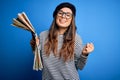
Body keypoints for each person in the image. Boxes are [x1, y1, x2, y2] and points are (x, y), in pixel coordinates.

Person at [30, 2, 94, 80]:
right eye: (60, 13)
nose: (64, 16)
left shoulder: (76, 39)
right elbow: (40, 61)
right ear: (55, 15)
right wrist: (34, 47)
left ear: (72, 19)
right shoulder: (43, 35)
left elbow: (80, 66)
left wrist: (84, 54)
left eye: (68, 15)